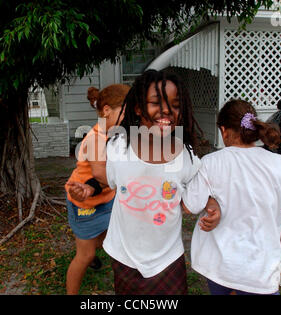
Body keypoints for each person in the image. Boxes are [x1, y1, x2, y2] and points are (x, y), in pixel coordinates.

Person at [72, 69, 220, 295]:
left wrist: (212, 204)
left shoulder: (185, 156)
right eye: (155, 102)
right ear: (138, 107)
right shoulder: (118, 147)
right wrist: (89, 186)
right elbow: (111, 180)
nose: (168, 110)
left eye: (176, 104)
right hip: (124, 255)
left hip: (167, 259)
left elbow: (197, 187)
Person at [182, 99, 281, 295]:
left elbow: (189, 205)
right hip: (261, 273)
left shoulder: (211, 163)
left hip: (219, 269)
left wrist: (211, 199)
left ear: (223, 130)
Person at [64, 83, 130, 295]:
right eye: (125, 113)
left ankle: (91, 248)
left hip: (106, 198)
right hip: (84, 200)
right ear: (107, 110)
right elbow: (102, 175)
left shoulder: (117, 134)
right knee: (85, 256)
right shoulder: (95, 138)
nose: (128, 119)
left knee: (109, 239)